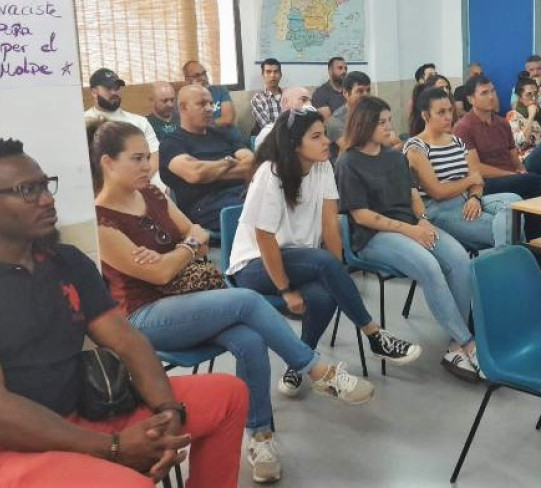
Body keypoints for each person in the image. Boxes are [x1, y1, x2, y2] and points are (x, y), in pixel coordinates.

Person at [88, 121, 374, 484]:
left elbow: (200, 233)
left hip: (189, 301)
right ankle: (316, 369)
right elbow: (159, 274)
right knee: (247, 301)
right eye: (137, 159)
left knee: (250, 340)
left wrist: (184, 247)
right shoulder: (100, 221)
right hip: (145, 319)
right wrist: (186, 248)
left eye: (148, 157)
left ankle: (261, 438)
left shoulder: (154, 196)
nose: (148, 166)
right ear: (107, 163)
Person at [0, 137, 248, 488]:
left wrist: (168, 412)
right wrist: (113, 448)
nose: (47, 198)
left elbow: (127, 340)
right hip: (18, 445)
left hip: (87, 411)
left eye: (44, 185)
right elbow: (3, 413)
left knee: (228, 395)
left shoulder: (66, 261)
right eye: (27, 190)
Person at [230, 107, 422, 395]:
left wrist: (335, 278)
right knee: (322, 263)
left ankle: (298, 362)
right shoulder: (271, 174)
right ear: (295, 144)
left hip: (299, 260)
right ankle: (375, 335)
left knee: (324, 295)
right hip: (254, 265)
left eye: (325, 136)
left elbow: (330, 225)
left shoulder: (323, 167)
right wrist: (285, 290)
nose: (326, 143)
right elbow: (265, 238)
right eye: (316, 137)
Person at [336, 97, 482, 381]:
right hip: (374, 236)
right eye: (382, 122)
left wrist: (423, 221)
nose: (389, 127)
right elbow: (362, 216)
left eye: (390, 120)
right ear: (364, 125)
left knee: (459, 260)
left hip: (411, 225)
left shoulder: (394, 156)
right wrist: (411, 230)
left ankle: (455, 343)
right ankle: (468, 342)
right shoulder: (348, 162)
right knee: (429, 267)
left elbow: (414, 195)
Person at [453, 76, 541, 273]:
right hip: (485, 184)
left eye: (493, 91)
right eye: (484, 93)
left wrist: (520, 171)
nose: (491, 96)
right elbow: (475, 169)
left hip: (511, 177)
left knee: (534, 192)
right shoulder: (464, 127)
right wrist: (513, 175)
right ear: (471, 99)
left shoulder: (501, 123)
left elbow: (513, 157)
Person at [405, 87, 520, 251]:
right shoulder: (416, 147)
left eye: (450, 111)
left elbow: (477, 178)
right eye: (441, 112)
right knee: (507, 229)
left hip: (467, 200)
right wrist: (469, 181)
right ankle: (509, 261)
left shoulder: (455, 141)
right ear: (425, 115)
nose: (448, 117)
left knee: (514, 203)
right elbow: (437, 192)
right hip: (439, 210)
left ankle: (505, 256)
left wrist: (474, 197)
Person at [159, 85, 253, 231]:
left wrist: (210, 173)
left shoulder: (224, 134)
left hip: (243, 193)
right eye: (202, 104)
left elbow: (253, 164)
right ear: (183, 107)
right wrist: (228, 161)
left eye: (210, 103)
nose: (210, 108)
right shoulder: (172, 142)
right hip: (205, 207)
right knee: (259, 214)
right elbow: (195, 174)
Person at [84, 68, 164, 190]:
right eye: (108, 88)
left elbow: (155, 154)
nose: (114, 92)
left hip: (144, 180)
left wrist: (142, 178)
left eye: (116, 88)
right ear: (94, 92)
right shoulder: (83, 122)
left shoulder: (139, 121)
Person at [182, 60, 244, 145]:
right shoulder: (185, 98)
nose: (203, 78)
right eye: (197, 75)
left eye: (204, 73)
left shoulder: (220, 90)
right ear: (187, 80)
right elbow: (190, 125)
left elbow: (228, 118)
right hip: (206, 143)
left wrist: (203, 124)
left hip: (231, 139)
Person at [326, 71, 371, 158]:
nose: (366, 95)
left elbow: (391, 140)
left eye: (368, 90)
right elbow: (353, 149)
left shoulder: (376, 112)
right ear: (345, 93)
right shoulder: (336, 120)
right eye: (360, 91)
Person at [250, 58, 284, 130]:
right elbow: (267, 127)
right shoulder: (257, 99)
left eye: (276, 72)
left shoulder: (289, 96)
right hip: (270, 138)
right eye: (268, 72)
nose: (272, 75)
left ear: (280, 75)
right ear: (262, 75)